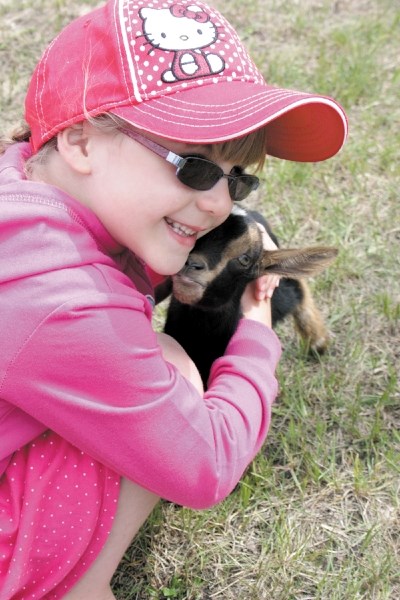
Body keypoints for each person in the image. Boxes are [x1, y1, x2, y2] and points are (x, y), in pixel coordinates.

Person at [0, 0, 347, 597]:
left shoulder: (23, 189)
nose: (218, 204)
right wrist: (257, 340)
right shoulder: (70, 305)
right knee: (174, 368)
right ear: (81, 140)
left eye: (238, 179)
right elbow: (205, 465)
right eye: (194, 167)